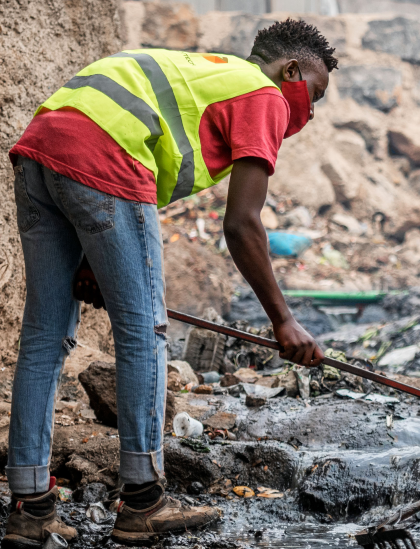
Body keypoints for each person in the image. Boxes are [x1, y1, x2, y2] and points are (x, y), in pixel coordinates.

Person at [5, 19, 337, 547]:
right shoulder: (265, 94)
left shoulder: (209, 75)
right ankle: (142, 501)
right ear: (290, 69)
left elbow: (123, 152)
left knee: (45, 335)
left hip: (43, 146)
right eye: (313, 93)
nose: (311, 112)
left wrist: (93, 260)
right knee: (143, 331)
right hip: (103, 158)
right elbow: (242, 223)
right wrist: (283, 320)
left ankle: (29, 507)